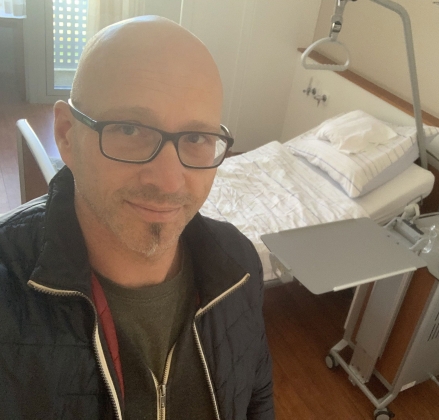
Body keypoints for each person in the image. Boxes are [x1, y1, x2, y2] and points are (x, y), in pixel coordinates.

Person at [0, 16, 274, 420]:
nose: (168, 181)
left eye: (196, 138)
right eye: (129, 130)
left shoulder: (240, 263)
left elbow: (256, 393)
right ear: (66, 134)